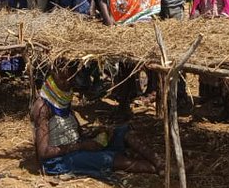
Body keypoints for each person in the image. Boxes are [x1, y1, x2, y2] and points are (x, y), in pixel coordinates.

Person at [31, 63, 163, 178]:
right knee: (110, 160)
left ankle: (159, 162)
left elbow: (73, 132)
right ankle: (160, 170)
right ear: (54, 72)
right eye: (64, 78)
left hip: (75, 147)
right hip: (58, 161)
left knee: (123, 132)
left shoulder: (63, 98)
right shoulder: (43, 107)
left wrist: (95, 134)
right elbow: (44, 152)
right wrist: (82, 146)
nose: (69, 82)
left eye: (72, 77)